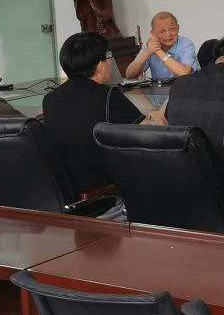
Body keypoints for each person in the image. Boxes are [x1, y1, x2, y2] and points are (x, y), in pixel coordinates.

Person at [44, 32, 164, 196]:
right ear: (100, 66)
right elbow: (149, 134)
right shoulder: (107, 95)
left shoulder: (50, 99)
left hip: (65, 191)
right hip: (103, 191)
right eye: (109, 56)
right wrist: (159, 113)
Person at [124, 11, 198, 80]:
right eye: (162, 31)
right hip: (160, 89)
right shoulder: (150, 47)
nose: (168, 34)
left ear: (178, 29)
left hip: (188, 88)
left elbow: (184, 73)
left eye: (172, 29)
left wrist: (159, 52)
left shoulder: (185, 44)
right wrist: (147, 52)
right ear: (153, 34)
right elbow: (129, 75)